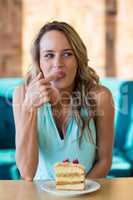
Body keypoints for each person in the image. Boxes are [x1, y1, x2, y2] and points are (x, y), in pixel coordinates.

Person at [13, 21, 114, 181]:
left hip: (86, 194)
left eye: (67, 54)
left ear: (78, 59)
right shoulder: (22, 94)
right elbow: (27, 172)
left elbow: (104, 161)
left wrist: (77, 191)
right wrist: (29, 109)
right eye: (49, 55)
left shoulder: (100, 97)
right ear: (39, 61)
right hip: (40, 195)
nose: (58, 64)